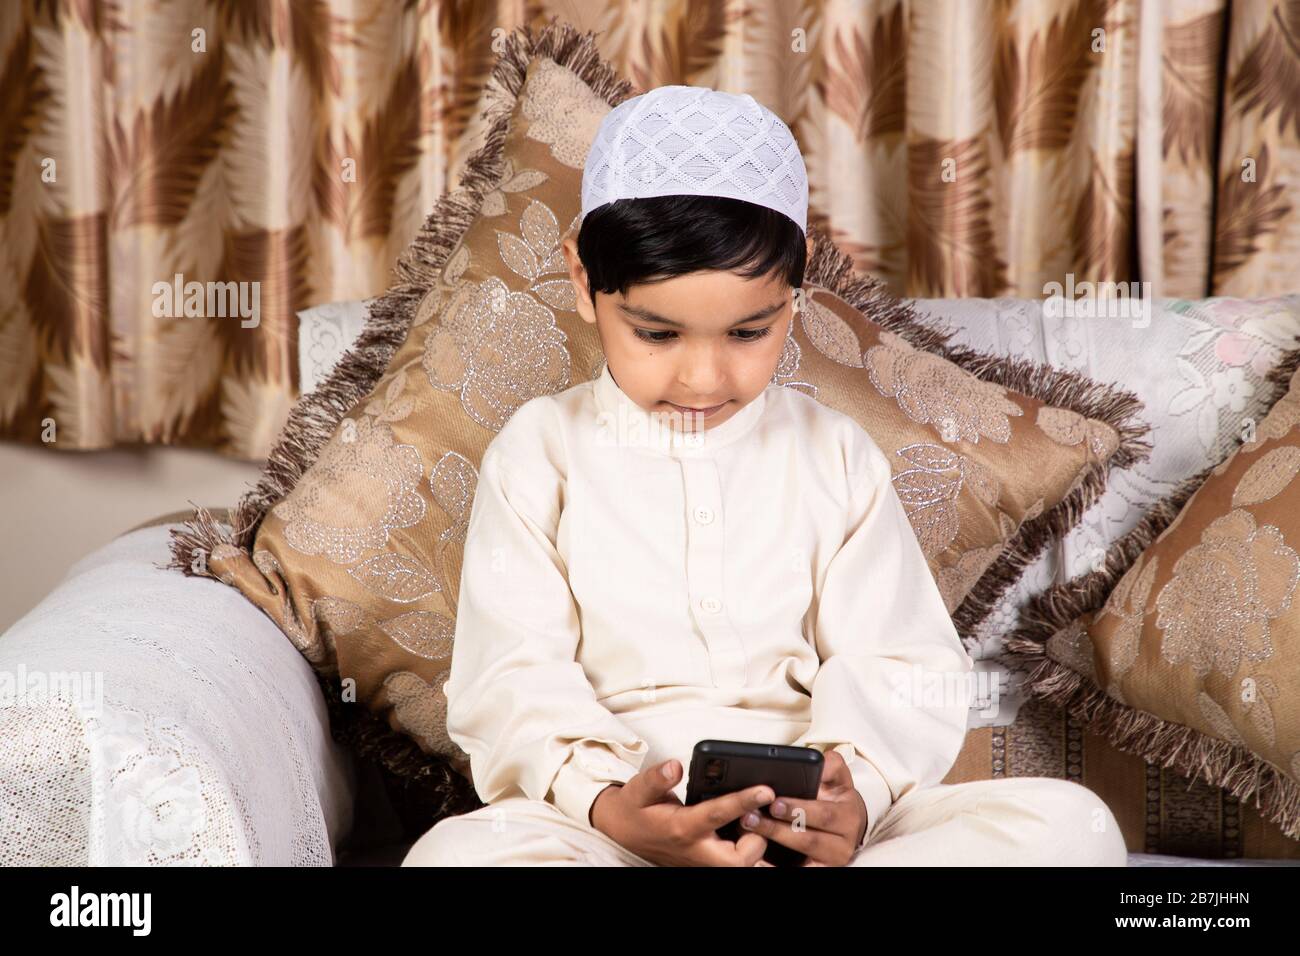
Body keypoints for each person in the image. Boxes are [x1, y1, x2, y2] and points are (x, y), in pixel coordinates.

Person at [402, 86, 1127, 867]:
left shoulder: (834, 455)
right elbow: (509, 676)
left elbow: (898, 661)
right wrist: (608, 805)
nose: (704, 376)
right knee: (456, 859)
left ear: (798, 284)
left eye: (749, 332)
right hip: (611, 828)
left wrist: (855, 800)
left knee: (1068, 827)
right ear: (584, 280)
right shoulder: (540, 452)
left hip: (811, 823)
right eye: (657, 332)